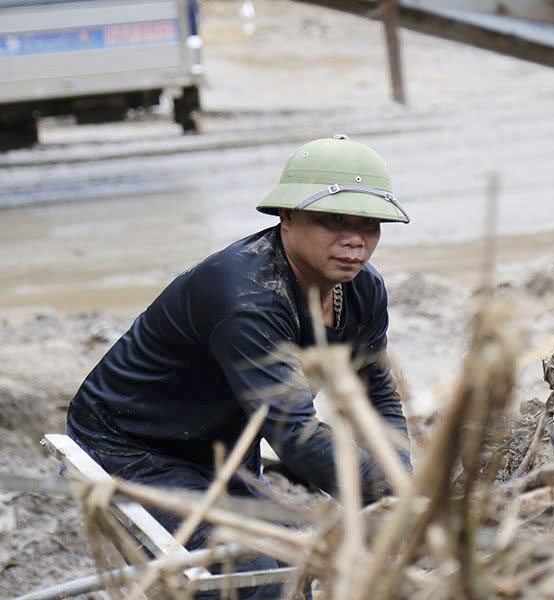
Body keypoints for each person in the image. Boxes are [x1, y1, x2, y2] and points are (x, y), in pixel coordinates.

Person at [65, 134, 411, 598]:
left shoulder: (364, 290)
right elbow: (295, 436)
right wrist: (390, 496)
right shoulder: (246, 298)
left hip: (224, 445)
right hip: (134, 448)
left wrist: (401, 477)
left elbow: (377, 394)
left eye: (369, 224)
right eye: (331, 220)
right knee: (257, 582)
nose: (354, 240)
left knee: (299, 562)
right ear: (286, 216)